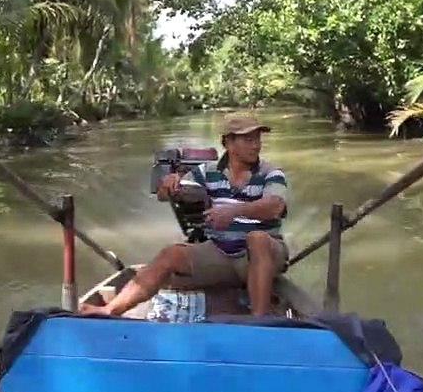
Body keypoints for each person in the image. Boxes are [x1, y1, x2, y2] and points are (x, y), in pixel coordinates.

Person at [78, 114, 290, 318]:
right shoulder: (207, 171)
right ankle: (110, 309)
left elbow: (274, 206)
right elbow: (165, 195)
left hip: (264, 256)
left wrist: (234, 211)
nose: (256, 145)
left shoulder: (271, 172)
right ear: (228, 143)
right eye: (248, 140)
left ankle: (259, 320)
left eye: (257, 139)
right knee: (171, 254)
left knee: (257, 239)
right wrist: (169, 185)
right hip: (222, 253)